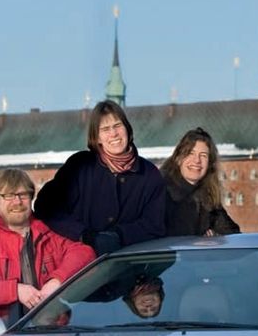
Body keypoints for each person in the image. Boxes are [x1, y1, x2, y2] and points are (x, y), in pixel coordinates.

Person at [0, 168, 95, 324]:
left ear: (31, 198)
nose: (17, 202)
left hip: (54, 331)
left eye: (23, 194)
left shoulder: (49, 232)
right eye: (8, 196)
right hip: (3, 334)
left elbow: (84, 253)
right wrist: (15, 290)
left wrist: (56, 281)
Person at [34, 100, 166, 256]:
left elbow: (154, 224)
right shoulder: (80, 166)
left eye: (118, 126)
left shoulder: (149, 174)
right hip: (79, 264)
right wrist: (83, 234)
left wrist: (119, 235)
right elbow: (46, 207)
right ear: (97, 138)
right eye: (105, 129)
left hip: (127, 264)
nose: (114, 134)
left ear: (127, 130)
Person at [161, 128, 241, 237]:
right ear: (178, 158)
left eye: (203, 155)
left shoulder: (207, 196)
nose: (197, 161)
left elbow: (233, 234)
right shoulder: (160, 190)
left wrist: (217, 238)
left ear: (209, 164)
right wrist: (197, 240)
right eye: (190, 153)